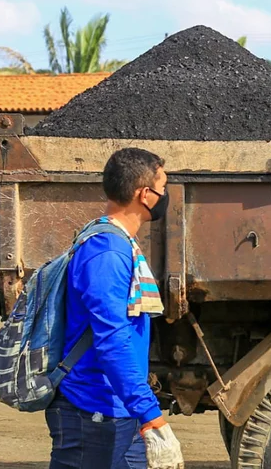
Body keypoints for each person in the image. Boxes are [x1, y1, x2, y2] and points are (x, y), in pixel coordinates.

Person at [50, 148, 184, 469]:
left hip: (119, 408)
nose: (165, 195)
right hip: (93, 412)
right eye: (162, 188)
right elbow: (112, 341)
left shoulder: (122, 244)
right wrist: (151, 415)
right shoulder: (107, 252)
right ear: (144, 194)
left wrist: (140, 411)